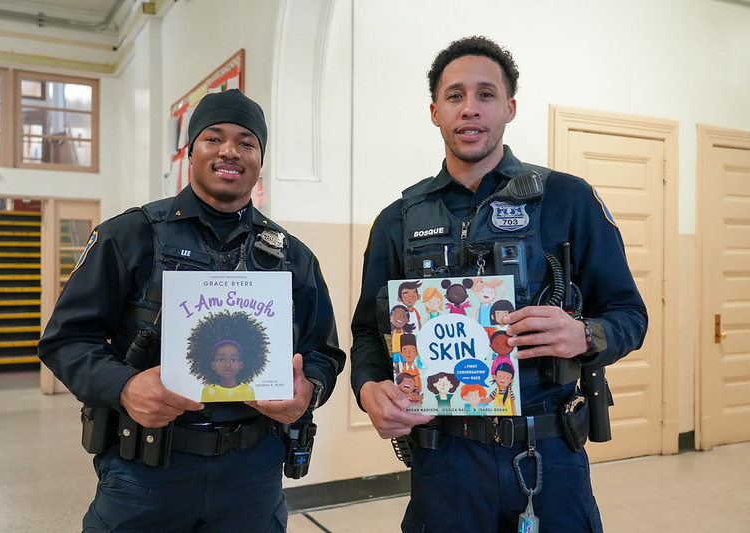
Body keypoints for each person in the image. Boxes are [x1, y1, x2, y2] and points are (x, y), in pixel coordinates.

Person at [350, 36, 647, 532]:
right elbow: (367, 332)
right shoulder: (398, 220)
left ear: (509, 107)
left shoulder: (567, 200)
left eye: (486, 94)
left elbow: (629, 316)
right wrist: (368, 389)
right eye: (455, 95)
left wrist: (584, 335)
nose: (470, 108)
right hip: (444, 460)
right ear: (435, 112)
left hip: (549, 455)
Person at [38, 89, 345, 532]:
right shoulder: (130, 236)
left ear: (260, 159)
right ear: (190, 151)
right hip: (145, 473)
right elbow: (66, 340)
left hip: (253, 477)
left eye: (246, 142)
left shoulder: (293, 258)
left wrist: (308, 391)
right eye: (213, 138)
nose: (229, 151)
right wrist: (124, 386)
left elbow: (324, 353)